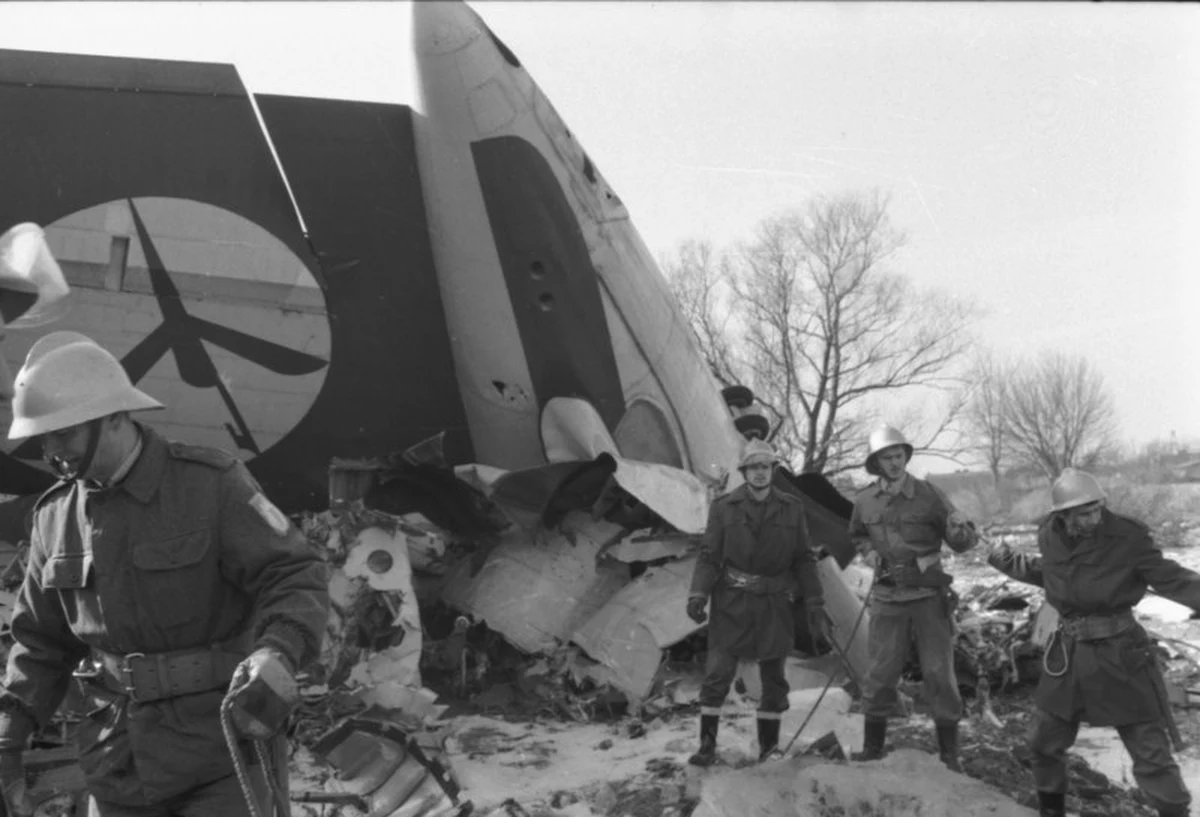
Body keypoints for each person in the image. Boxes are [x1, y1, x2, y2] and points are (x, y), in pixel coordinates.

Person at [0, 332, 329, 817]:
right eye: (43, 437)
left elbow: (294, 573)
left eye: (63, 434)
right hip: (117, 763)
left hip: (221, 756)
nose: (52, 451)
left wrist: (278, 650)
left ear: (113, 416)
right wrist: (9, 736)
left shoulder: (210, 485)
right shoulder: (54, 518)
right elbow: (41, 642)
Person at [988, 468, 1199, 817]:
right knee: (1043, 743)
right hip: (1068, 656)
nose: (1094, 518)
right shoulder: (1050, 536)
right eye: (1084, 513)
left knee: (1151, 756)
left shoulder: (1128, 538)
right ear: (1064, 515)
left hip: (1121, 656)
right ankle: (1051, 811)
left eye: (1097, 509)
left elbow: (1172, 578)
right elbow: (1049, 574)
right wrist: (1001, 557)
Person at [685, 437, 831, 766]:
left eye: (765, 466)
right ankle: (707, 746)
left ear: (773, 469)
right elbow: (709, 556)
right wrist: (698, 593)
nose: (760, 473)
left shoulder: (792, 507)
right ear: (744, 471)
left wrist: (816, 603)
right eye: (753, 467)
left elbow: (804, 560)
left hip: (773, 604)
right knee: (717, 674)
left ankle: (768, 749)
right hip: (731, 603)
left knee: (774, 679)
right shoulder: (724, 507)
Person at [848, 425, 977, 771]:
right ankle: (872, 750)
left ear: (906, 456)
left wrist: (961, 528)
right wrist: (869, 553)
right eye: (887, 458)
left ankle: (950, 755)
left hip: (927, 598)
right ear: (876, 462)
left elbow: (962, 543)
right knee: (878, 673)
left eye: (899, 456)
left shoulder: (929, 494)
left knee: (939, 673)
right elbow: (857, 536)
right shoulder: (864, 500)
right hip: (887, 599)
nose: (894, 463)